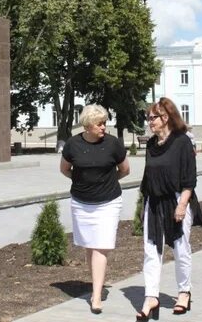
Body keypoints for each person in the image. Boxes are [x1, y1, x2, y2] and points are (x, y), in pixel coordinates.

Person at [136, 97, 202, 320]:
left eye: (152, 118)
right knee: (151, 250)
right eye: (148, 118)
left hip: (178, 200)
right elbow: (149, 176)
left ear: (165, 118)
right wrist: (145, 205)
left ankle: (184, 292)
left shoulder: (182, 142)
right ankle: (151, 297)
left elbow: (189, 178)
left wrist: (182, 205)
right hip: (154, 202)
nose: (149, 122)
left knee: (180, 248)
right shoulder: (150, 144)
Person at [59, 104, 130, 314]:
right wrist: (83, 182)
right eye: (100, 124)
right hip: (81, 203)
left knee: (100, 246)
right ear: (88, 125)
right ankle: (96, 284)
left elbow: (125, 170)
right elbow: (64, 169)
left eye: (105, 123)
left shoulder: (113, 144)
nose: (104, 127)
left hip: (108, 202)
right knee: (90, 246)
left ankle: (96, 295)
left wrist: (105, 182)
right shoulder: (73, 144)